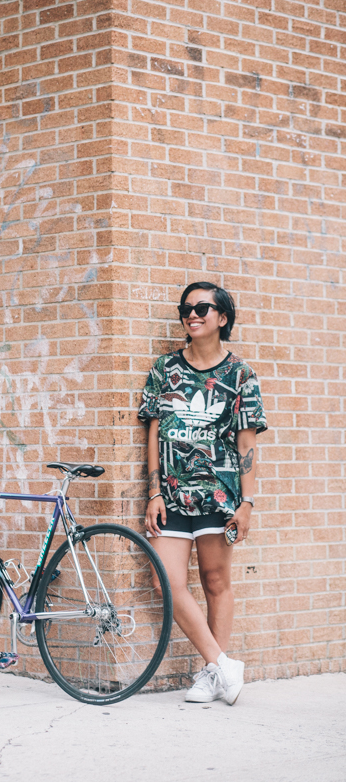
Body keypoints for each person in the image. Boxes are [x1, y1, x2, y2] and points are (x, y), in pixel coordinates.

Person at [138, 281, 267, 705]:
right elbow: (154, 434)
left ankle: (211, 677)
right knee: (165, 581)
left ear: (222, 317)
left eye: (202, 308)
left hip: (220, 495)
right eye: (186, 308)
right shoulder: (164, 370)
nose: (192, 314)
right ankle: (221, 664)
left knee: (215, 580)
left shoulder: (241, 375)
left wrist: (246, 503)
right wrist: (154, 492)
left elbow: (246, 445)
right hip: (172, 496)